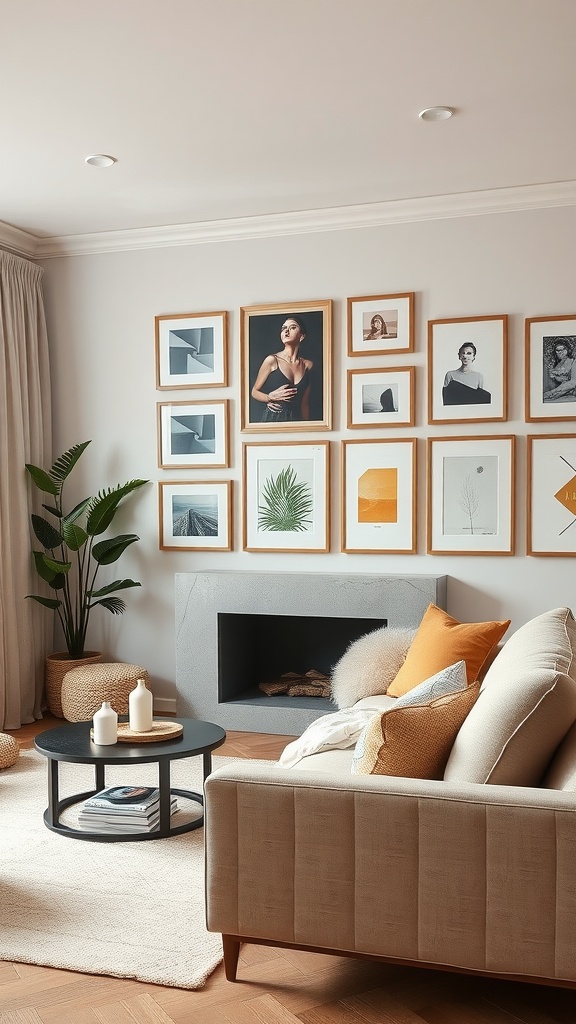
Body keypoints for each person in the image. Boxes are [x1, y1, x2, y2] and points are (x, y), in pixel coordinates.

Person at [251, 315, 313, 422]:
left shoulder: (308, 365)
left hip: (296, 421)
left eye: (292, 327)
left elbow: (305, 403)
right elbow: (254, 392)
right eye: (284, 328)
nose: (286, 331)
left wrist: (307, 427)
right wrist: (269, 397)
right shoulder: (272, 360)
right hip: (273, 420)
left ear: (301, 336)